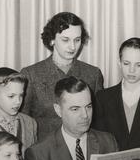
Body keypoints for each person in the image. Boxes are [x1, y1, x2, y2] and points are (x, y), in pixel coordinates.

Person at [25, 76, 117, 160]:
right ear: (58, 110)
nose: (85, 115)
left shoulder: (108, 141)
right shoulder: (39, 153)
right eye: (75, 109)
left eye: (88, 107)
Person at [21, 12, 104, 141]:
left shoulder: (93, 74)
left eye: (77, 40)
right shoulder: (31, 75)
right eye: (65, 40)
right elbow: (22, 123)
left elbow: (99, 121)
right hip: (43, 153)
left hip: (81, 151)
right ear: (52, 40)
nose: (72, 47)